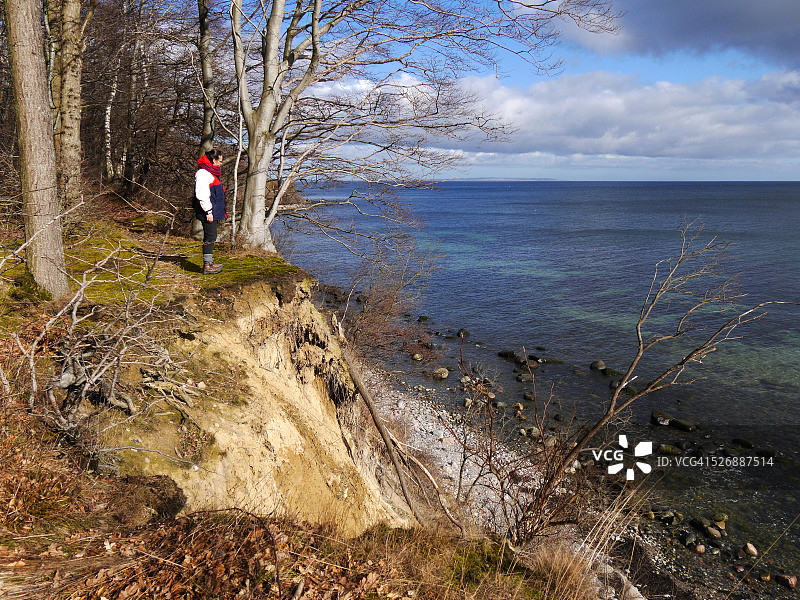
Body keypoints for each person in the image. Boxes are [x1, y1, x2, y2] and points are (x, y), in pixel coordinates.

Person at [194, 149, 227, 274]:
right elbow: (202, 194)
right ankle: (207, 265)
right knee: (210, 236)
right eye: (220, 161)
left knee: (212, 236)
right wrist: (208, 211)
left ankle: (210, 262)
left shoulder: (211, 173)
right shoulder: (203, 174)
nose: (220, 163)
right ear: (213, 160)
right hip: (208, 212)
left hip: (213, 211)